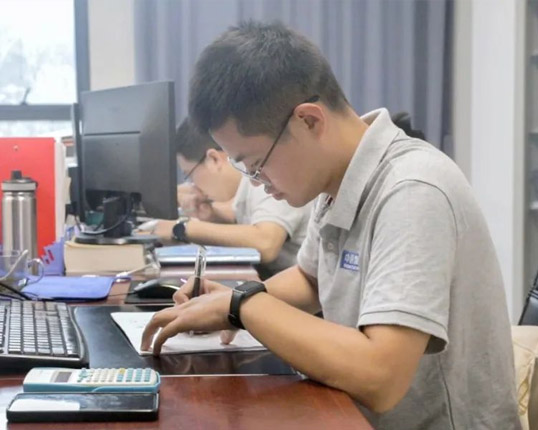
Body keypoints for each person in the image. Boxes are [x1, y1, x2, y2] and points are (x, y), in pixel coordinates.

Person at [141, 21, 520, 429]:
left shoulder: (412, 190)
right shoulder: (337, 180)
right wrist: (232, 301)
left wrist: (245, 307)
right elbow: (312, 280)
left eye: (257, 163)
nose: (256, 182)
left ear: (309, 121)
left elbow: (381, 377)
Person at [152, 117, 313, 276]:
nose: (194, 186)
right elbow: (247, 223)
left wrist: (182, 228)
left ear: (214, 159)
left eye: (190, 174)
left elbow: (266, 244)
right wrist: (213, 216)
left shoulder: (265, 177)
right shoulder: (245, 186)